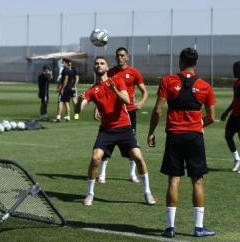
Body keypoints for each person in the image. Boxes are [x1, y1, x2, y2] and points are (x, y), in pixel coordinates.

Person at [147, 47, 216, 238]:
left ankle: (170, 228)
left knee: (173, 180)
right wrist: (197, 124)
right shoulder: (204, 85)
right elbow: (211, 117)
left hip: (174, 136)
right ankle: (199, 228)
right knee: (197, 180)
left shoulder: (167, 81)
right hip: (194, 137)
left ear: (180, 62)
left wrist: (151, 133)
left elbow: (157, 111)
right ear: (196, 63)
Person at [75, 56, 156, 206]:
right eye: (96, 64)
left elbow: (126, 100)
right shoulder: (92, 90)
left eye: (102, 63)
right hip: (106, 130)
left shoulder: (117, 81)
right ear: (94, 68)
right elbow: (78, 110)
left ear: (107, 68)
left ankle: (147, 192)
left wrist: (114, 91)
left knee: (138, 158)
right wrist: (80, 101)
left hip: (124, 127)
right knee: (95, 159)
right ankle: (90, 194)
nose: (99, 65)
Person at [97, 47, 149, 184]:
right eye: (117, 56)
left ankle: (132, 174)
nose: (119, 58)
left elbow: (144, 91)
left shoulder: (134, 73)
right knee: (107, 143)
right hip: (111, 112)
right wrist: (98, 107)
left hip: (129, 112)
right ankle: (102, 174)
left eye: (122, 55)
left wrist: (142, 102)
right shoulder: (110, 72)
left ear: (127, 57)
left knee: (131, 145)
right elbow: (100, 90)